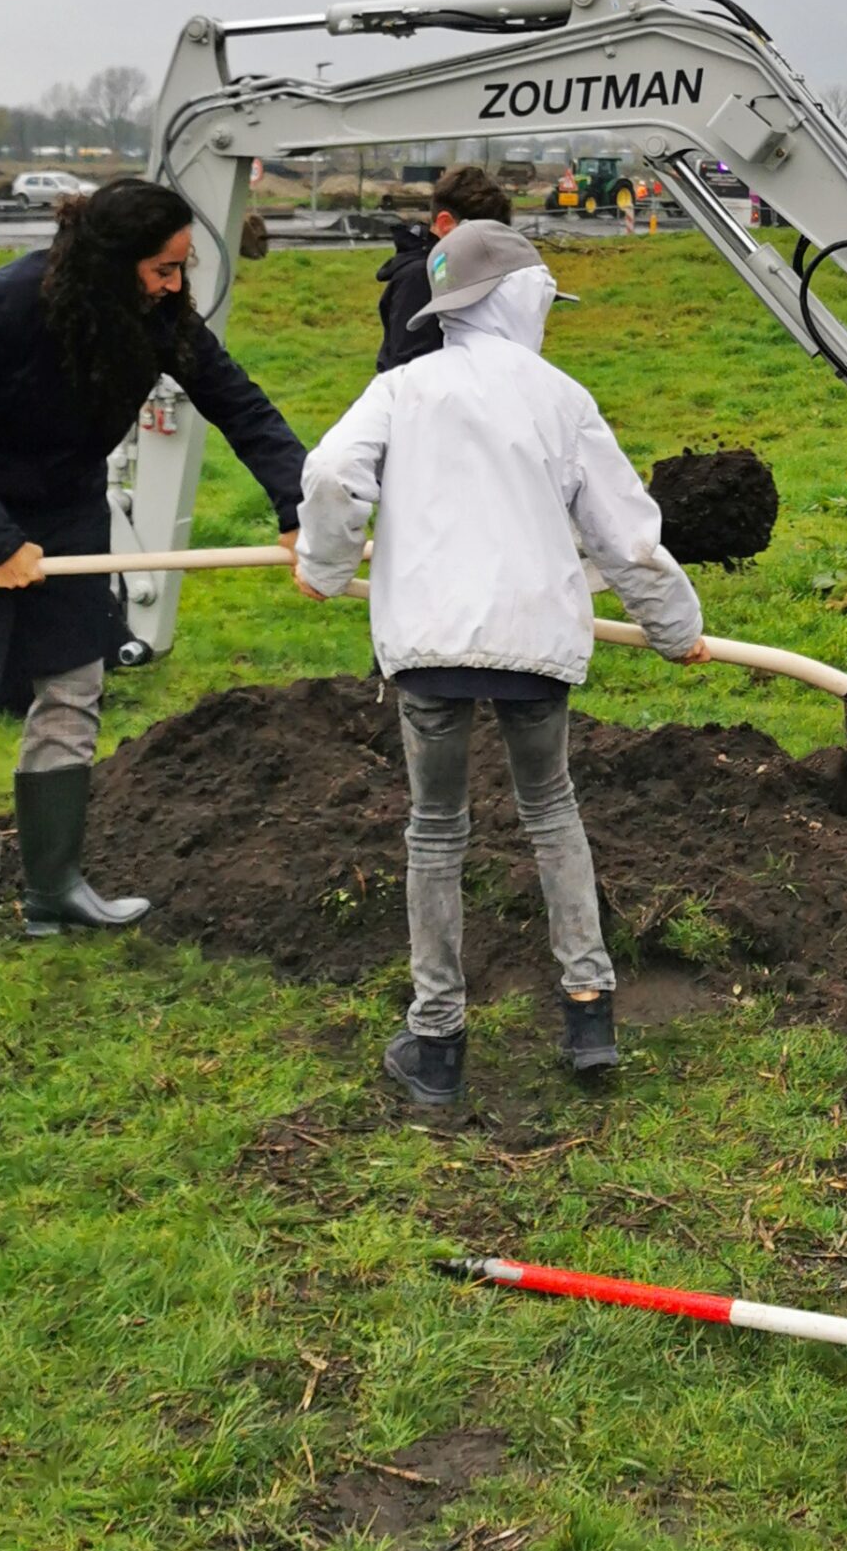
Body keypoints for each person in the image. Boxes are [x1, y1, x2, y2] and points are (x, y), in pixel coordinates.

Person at [0, 180, 308, 972]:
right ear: (111, 263)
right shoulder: (2, 305)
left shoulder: (161, 320)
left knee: (72, 693)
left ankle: (54, 888)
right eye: (162, 269)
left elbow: (239, 404)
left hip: (66, 516)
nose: (176, 286)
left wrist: (298, 502)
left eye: (183, 269)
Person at [295, 221, 706, 1105]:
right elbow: (627, 537)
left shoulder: (402, 390)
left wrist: (325, 566)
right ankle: (590, 1011)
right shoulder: (560, 398)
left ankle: (437, 1042)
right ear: (519, 297)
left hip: (430, 651)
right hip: (535, 649)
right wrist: (677, 629)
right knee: (551, 810)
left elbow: (331, 475)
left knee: (436, 832)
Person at [376, 163, 514, 373]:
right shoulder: (422, 277)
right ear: (446, 224)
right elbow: (412, 368)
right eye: (481, 240)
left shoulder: (451, 269)